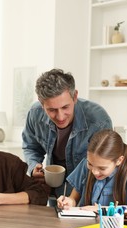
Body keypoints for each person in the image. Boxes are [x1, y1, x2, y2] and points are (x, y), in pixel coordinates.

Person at [22, 68, 113, 199]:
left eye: (65, 107)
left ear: (75, 96)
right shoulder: (34, 113)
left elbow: (104, 163)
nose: (60, 117)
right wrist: (33, 167)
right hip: (52, 191)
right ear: (41, 103)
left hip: (85, 193)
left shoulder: (98, 120)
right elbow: (30, 147)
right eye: (52, 110)